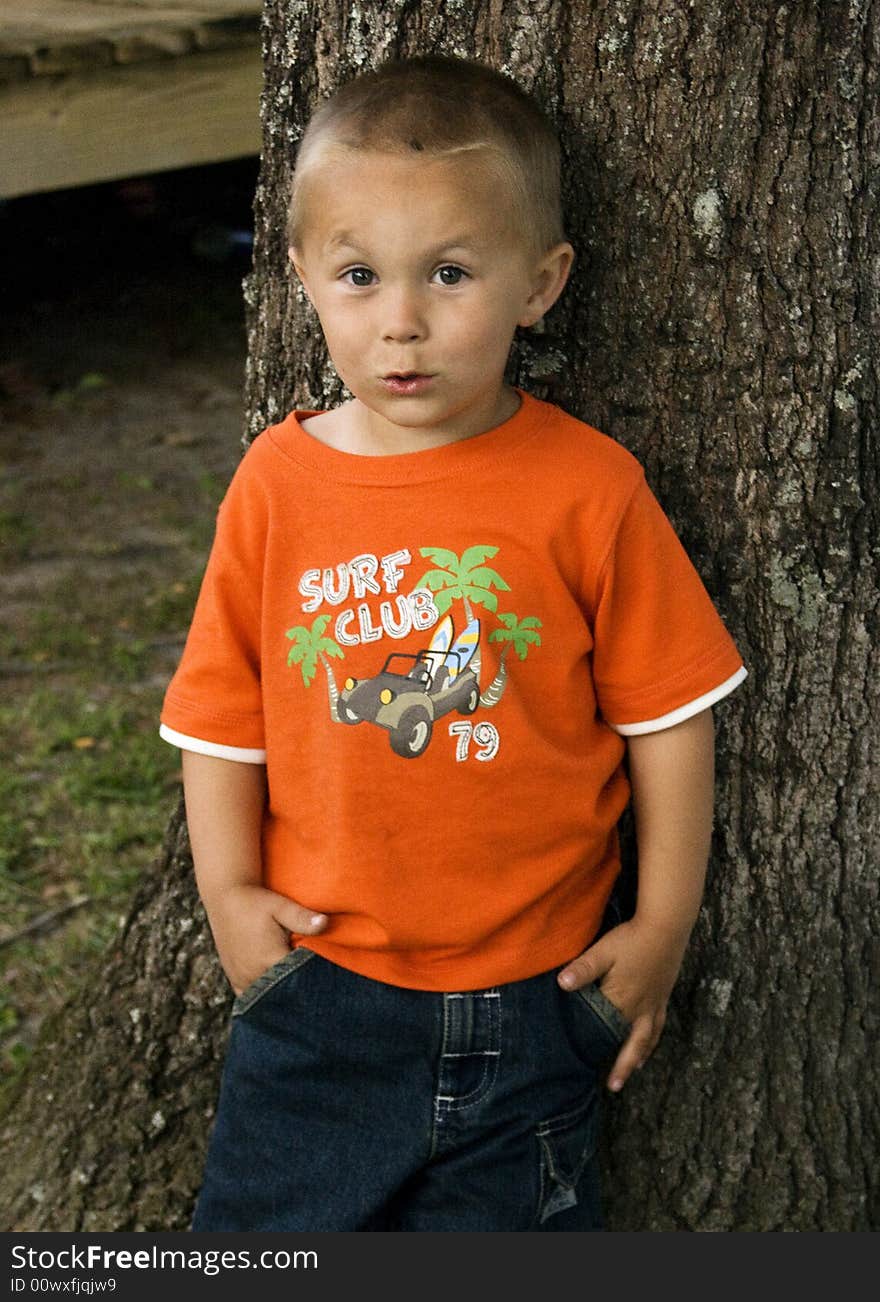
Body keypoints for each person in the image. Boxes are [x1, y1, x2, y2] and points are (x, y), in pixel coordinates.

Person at [158, 53, 747, 1231]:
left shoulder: (588, 486)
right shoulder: (278, 486)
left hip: (540, 998)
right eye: (361, 276)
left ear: (541, 282)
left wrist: (663, 923)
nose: (403, 324)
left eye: (452, 273)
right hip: (324, 993)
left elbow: (668, 717)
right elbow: (218, 716)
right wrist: (230, 896)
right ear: (302, 281)